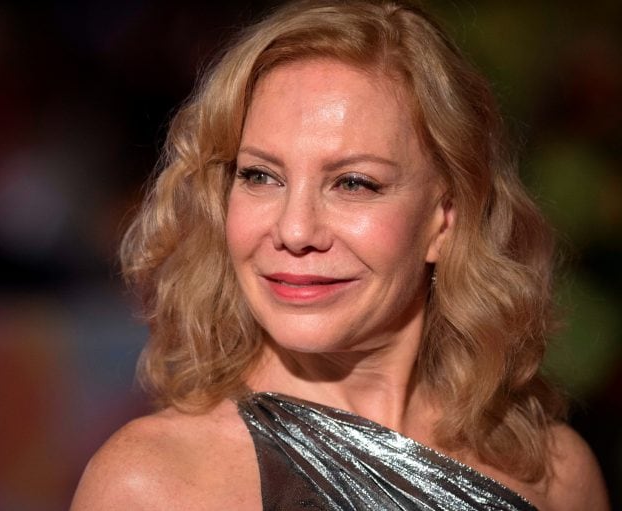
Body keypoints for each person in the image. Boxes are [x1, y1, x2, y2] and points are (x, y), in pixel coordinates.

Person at [70, 1, 609, 509]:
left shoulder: (555, 474)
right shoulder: (154, 483)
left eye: (353, 183)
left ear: (446, 219)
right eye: (261, 176)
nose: (295, 229)